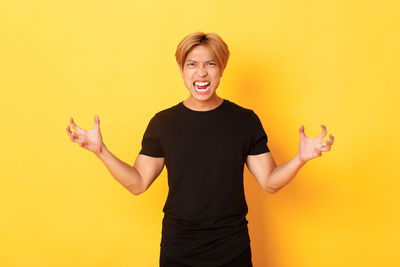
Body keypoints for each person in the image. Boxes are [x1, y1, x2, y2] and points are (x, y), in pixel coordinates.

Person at [66, 31, 334, 267]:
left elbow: (270, 182)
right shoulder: (164, 123)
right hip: (178, 248)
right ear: (182, 71)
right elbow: (137, 183)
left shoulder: (245, 120)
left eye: (210, 64)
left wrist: (300, 159)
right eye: (192, 64)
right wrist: (100, 151)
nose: (201, 72)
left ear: (221, 70)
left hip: (232, 248)